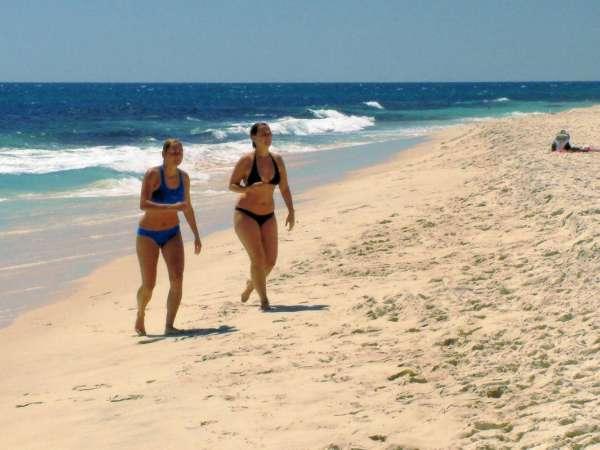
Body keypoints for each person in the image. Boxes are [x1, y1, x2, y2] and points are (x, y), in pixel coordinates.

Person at [135, 139, 202, 335]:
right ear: (163, 154)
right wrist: (172, 207)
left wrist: (196, 234)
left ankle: (169, 326)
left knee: (177, 279)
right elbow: (143, 204)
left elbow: (187, 208)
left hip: (172, 232)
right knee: (149, 284)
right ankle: (140, 313)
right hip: (148, 234)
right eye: (173, 152)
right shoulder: (153, 175)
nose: (177, 156)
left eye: (180, 152)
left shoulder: (184, 178)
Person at [229, 123, 295, 311]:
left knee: (270, 261)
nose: (267, 137)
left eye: (269, 133)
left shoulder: (277, 160)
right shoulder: (247, 161)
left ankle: (251, 285)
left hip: (268, 215)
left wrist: (291, 210)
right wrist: (247, 188)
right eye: (263, 134)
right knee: (257, 259)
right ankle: (264, 301)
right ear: (253, 138)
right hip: (245, 214)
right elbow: (232, 185)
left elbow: (284, 187)